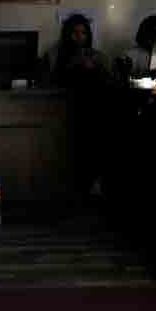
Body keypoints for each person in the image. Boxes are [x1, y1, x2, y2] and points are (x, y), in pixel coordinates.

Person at [53, 14, 113, 196]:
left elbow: (108, 81)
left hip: (95, 113)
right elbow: (56, 81)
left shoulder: (96, 55)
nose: (79, 37)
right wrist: (76, 64)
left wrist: (96, 66)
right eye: (75, 33)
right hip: (69, 113)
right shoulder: (59, 55)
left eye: (83, 33)